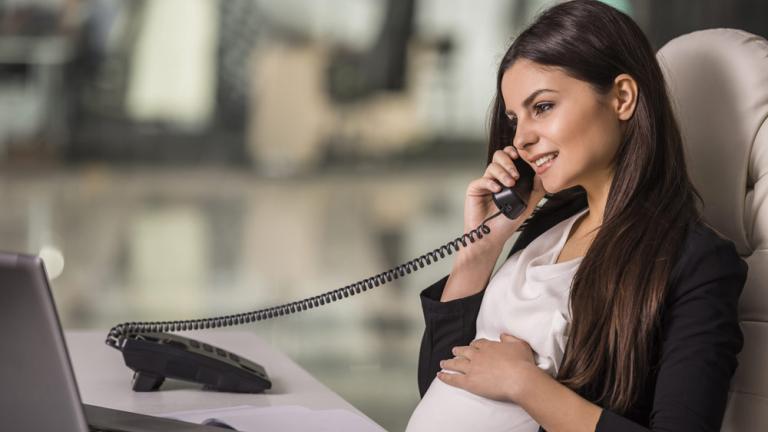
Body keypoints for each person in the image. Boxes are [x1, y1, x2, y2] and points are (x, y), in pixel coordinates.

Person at [406, 1, 748, 431]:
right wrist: (481, 247)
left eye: (543, 107)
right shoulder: (549, 227)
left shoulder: (696, 263)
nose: (522, 138)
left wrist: (524, 384)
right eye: (515, 119)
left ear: (622, 98)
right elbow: (442, 381)